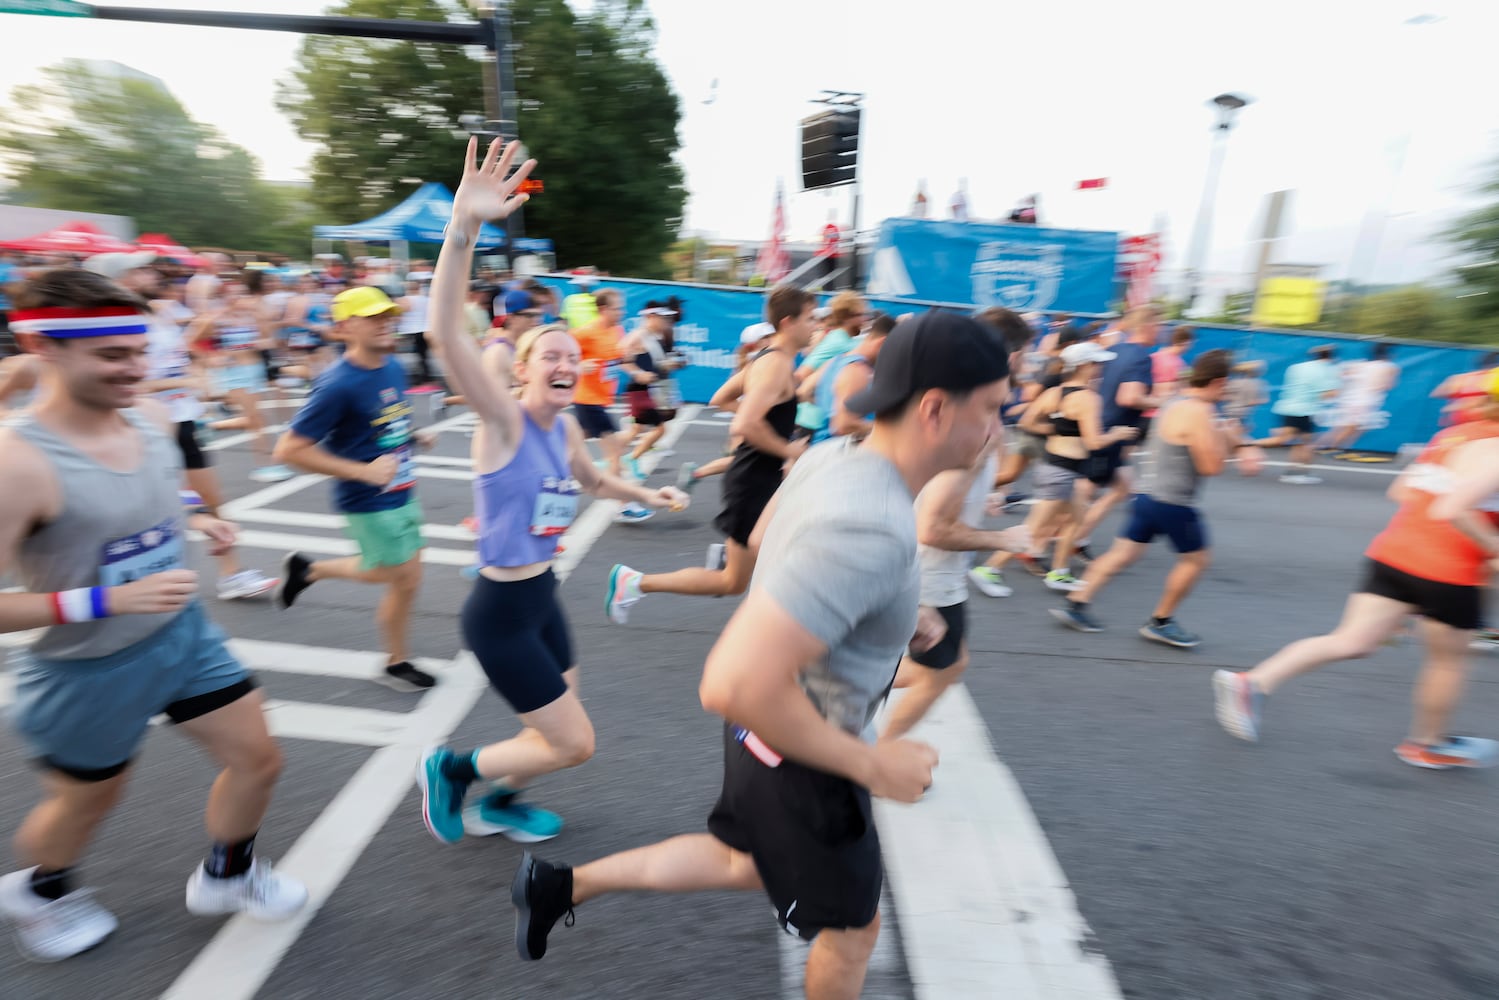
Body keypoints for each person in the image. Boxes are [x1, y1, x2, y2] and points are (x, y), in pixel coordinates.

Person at [510, 310, 1013, 1000]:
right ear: (933, 408)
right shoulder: (870, 525)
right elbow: (730, 680)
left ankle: (559, 885)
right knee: (851, 934)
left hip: (765, 740)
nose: (997, 428)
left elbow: (779, 537)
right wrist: (873, 763)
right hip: (807, 751)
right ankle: (561, 885)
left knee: (739, 860)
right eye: (990, 408)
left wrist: (889, 613)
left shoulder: (837, 456)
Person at [0, 269, 307, 963]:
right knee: (88, 803)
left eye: (139, 351)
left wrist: (199, 521)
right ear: (46, 347)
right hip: (86, 668)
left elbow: (154, 493)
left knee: (258, 759)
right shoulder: (17, 464)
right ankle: (40, 892)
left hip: (181, 636)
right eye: (112, 356)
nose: (135, 369)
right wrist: (101, 600)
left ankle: (229, 875)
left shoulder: (152, 416)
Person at [413, 137, 688, 843]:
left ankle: (501, 802)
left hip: (543, 597)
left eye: (572, 357)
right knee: (573, 741)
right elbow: (446, 334)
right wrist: (463, 227)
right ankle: (453, 769)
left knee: (554, 720)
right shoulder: (503, 422)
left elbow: (593, 478)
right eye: (551, 356)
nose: (565, 363)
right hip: (499, 611)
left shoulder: (564, 429)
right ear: (525, 368)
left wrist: (647, 494)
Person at [1215, 369, 1499, 767]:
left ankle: (1252, 683)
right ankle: (1427, 744)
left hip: (1395, 554)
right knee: (1448, 661)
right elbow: (1452, 508)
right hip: (1448, 571)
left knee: (1350, 641)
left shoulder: (1452, 437)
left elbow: (1399, 491)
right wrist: (1493, 544)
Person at [606, 285, 815, 620]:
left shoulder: (770, 360)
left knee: (746, 575)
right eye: (810, 318)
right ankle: (635, 583)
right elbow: (744, 424)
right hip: (754, 481)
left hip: (760, 477)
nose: (816, 325)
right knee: (733, 581)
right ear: (789, 322)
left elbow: (721, 398)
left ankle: (644, 581)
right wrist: (787, 449)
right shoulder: (774, 364)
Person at [271, 286, 438, 693]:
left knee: (408, 579)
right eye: (374, 316)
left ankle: (397, 659)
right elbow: (288, 450)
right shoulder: (336, 385)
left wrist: (412, 435)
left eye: (389, 315)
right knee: (398, 573)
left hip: (402, 488)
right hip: (369, 501)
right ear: (344, 327)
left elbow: (381, 422)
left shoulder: (393, 366)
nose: (387, 322)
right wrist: (362, 472)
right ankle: (312, 571)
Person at [86, 253, 279, 602]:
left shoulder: (161, 311)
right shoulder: (107, 327)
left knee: (210, 501)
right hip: (141, 422)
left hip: (182, 416)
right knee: (140, 509)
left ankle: (231, 574)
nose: (154, 274)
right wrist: (172, 384)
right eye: (141, 270)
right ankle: (118, 585)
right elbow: (110, 385)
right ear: (117, 280)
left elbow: (187, 348)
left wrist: (198, 374)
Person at [1052, 350, 1259, 648]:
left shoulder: (1174, 401)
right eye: (1227, 386)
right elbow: (1211, 467)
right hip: (1173, 503)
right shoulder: (1198, 412)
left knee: (1121, 555)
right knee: (1196, 560)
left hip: (1147, 496)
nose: (1227, 392)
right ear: (1218, 381)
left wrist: (1228, 436)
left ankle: (1076, 603)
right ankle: (1161, 622)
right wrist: (1229, 439)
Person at [882, 437, 1030, 741]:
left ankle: (841, 682)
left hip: (935, 576)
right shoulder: (970, 446)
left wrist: (980, 497)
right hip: (931, 579)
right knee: (939, 672)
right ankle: (878, 755)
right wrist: (1002, 540)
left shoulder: (977, 440)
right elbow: (933, 529)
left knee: (951, 664)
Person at [986, 342, 1138, 593]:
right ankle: (990, 568)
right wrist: (1118, 434)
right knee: (1034, 529)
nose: (1100, 369)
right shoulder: (1088, 398)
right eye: (1097, 363)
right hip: (1061, 472)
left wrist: (1058, 428)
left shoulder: (1054, 393)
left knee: (1076, 520)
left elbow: (1027, 422)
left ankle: (1059, 572)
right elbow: (1094, 442)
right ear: (1084, 367)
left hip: (1059, 468)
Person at [569, 288, 634, 479]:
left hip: (602, 397)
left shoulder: (617, 330)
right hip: (588, 400)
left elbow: (615, 359)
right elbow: (561, 352)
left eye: (622, 308)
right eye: (617, 309)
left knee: (573, 446)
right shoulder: (586, 333)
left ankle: (548, 473)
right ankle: (625, 503)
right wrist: (579, 364)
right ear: (604, 309)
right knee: (614, 453)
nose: (621, 312)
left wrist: (628, 361)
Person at [1254, 344, 1341, 484]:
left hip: (1286, 407)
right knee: (1306, 443)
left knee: (1286, 440)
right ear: (1331, 357)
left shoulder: (1296, 367)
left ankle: (1244, 445)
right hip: (1305, 410)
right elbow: (1329, 394)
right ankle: (1299, 474)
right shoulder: (1326, 370)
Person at [794, 291, 869, 438]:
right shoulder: (841, 342)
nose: (864, 319)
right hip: (811, 423)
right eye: (860, 315)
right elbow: (801, 375)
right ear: (847, 317)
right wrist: (824, 403)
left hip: (813, 423)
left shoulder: (841, 339)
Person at [1321, 341, 1400, 456]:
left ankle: (1333, 447)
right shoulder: (1390, 367)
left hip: (1351, 400)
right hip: (1363, 401)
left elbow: (1342, 375)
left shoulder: (1359, 364)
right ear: (1388, 355)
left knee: (1354, 427)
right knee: (1351, 427)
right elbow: (1389, 385)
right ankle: (1331, 448)